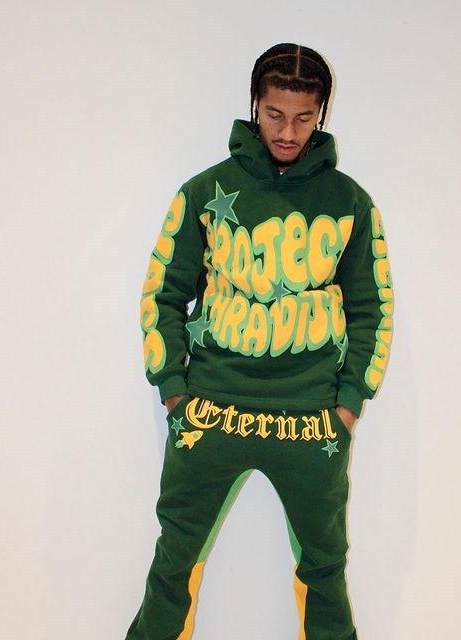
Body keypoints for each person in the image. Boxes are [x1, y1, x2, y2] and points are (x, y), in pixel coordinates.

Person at [127, 42, 394, 640]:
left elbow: (372, 308)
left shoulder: (350, 203)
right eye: (275, 114)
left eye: (304, 117)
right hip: (211, 410)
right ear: (255, 104)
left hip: (311, 420)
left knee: (325, 572)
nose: (288, 132)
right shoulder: (204, 193)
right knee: (174, 565)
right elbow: (163, 293)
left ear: (321, 113)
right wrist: (173, 389)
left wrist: (349, 402)